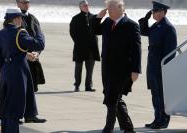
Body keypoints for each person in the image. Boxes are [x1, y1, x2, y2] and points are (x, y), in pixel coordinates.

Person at [92, 0, 141, 132]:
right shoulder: (107, 22)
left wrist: (136, 70)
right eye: (107, 8)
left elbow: (136, 50)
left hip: (122, 69)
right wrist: (97, 18)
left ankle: (108, 128)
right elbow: (94, 30)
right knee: (114, 97)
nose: (108, 11)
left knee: (111, 99)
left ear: (120, 8)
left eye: (111, 8)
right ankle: (128, 128)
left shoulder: (131, 25)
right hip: (107, 68)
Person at [0, 8, 45, 133]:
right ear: (15, 19)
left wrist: (4, 71)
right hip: (17, 74)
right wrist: (39, 31)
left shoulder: (0, 33)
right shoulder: (20, 33)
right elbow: (39, 44)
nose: (21, 20)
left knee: (6, 109)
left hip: (5, 72)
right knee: (14, 109)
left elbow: (1, 57)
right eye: (20, 18)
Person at [138, 1, 177, 129]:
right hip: (153, 66)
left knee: (161, 95)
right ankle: (157, 118)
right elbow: (144, 32)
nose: (153, 13)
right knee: (155, 95)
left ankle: (163, 120)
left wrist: (165, 68)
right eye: (152, 11)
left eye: (155, 11)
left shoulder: (168, 27)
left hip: (161, 67)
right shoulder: (156, 25)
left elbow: (171, 52)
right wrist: (145, 19)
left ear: (162, 12)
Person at [16, 0, 46, 123]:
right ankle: (16, 115)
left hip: (33, 59)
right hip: (19, 59)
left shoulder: (33, 18)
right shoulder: (14, 18)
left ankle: (30, 115)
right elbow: (12, 40)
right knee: (19, 89)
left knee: (31, 89)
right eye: (23, 2)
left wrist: (37, 53)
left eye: (28, 2)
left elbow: (40, 36)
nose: (26, 4)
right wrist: (25, 54)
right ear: (17, 4)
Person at [70, 0, 100, 92]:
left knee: (90, 69)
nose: (87, 7)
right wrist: (78, 42)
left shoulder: (93, 17)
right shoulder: (75, 18)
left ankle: (88, 86)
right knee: (78, 68)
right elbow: (72, 32)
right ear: (80, 7)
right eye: (85, 6)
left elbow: (98, 29)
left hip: (91, 48)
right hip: (80, 47)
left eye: (87, 5)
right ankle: (77, 85)